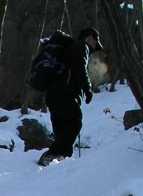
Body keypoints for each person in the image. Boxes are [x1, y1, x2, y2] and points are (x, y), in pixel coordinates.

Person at [39, 27, 102, 166]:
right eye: (95, 43)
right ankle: (56, 155)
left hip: (52, 93)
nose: (94, 47)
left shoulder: (67, 49)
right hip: (65, 92)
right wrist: (87, 88)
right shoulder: (81, 46)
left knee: (61, 126)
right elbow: (79, 66)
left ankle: (57, 160)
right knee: (74, 121)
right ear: (90, 38)